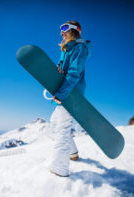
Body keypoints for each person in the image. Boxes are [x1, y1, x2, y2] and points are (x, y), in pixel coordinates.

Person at [49, 21, 91, 177]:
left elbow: (74, 73)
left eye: (65, 28)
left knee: (62, 129)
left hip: (72, 94)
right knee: (55, 124)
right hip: (65, 92)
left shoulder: (80, 48)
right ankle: (72, 153)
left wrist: (61, 94)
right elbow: (63, 69)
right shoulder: (66, 49)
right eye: (60, 29)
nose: (62, 32)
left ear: (75, 31)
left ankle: (60, 168)